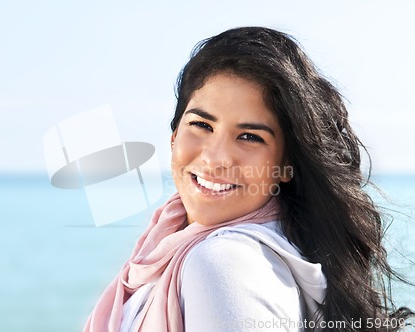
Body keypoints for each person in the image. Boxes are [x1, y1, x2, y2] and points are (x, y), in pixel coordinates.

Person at [84, 27, 413, 331]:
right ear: (174, 135)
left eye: (250, 137)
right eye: (201, 125)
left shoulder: (222, 263)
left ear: (286, 162)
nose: (216, 157)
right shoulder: (172, 241)